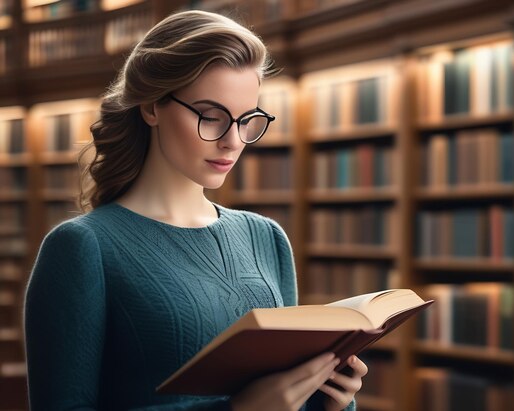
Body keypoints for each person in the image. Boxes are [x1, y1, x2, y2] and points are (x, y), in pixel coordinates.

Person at [24, 10, 367, 411]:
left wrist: (331, 400)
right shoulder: (83, 247)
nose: (232, 142)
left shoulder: (266, 237)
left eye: (246, 120)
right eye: (211, 116)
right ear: (152, 107)